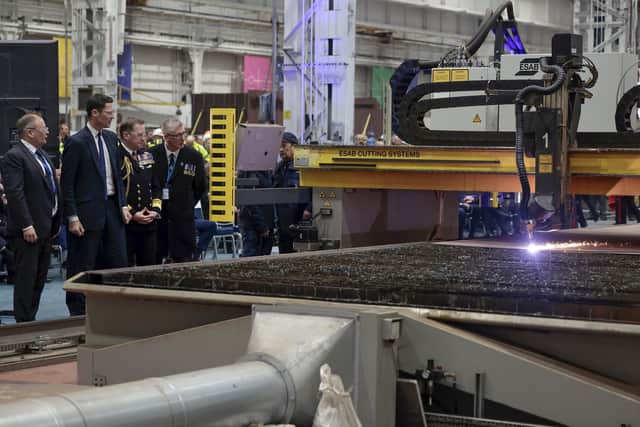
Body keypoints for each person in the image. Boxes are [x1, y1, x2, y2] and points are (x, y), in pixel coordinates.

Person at [61, 94, 131, 316]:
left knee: (117, 259)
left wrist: (123, 205)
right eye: (109, 113)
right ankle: (78, 312)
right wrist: (72, 216)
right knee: (83, 263)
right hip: (86, 212)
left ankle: (111, 308)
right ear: (95, 113)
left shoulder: (111, 139)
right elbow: (67, 184)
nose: (112, 117)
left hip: (112, 209)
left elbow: (118, 178)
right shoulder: (77, 142)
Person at [1, 113, 62, 322]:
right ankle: (23, 325)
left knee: (39, 279)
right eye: (43, 127)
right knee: (26, 281)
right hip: (29, 231)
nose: (47, 131)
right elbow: (15, 194)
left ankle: (30, 320)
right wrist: (27, 225)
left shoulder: (42, 155)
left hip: (46, 227)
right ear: (29, 132)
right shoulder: (14, 156)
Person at [150, 117, 206, 263]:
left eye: (184, 133)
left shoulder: (194, 156)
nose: (183, 138)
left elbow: (200, 187)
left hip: (183, 221)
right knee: (154, 262)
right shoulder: (151, 155)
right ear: (166, 137)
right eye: (178, 135)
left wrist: (186, 203)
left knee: (183, 263)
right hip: (157, 220)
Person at [118, 118, 161, 266]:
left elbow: (156, 186)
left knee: (149, 266)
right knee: (126, 267)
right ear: (126, 135)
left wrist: (155, 209)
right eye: (139, 135)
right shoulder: (117, 156)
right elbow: (118, 190)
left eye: (144, 134)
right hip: (128, 221)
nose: (144, 138)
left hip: (149, 221)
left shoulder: (146, 155)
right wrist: (134, 213)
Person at [273, 132, 311, 254]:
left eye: (284, 146)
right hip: (282, 220)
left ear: (294, 146)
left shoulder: (304, 166)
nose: (281, 150)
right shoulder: (279, 167)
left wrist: (309, 209)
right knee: (284, 252)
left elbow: (314, 190)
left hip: (299, 219)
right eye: (279, 147)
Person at [238, 170, 274, 257]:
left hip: (262, 221)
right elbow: (251, 203)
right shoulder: (251, 173)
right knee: (252, 256)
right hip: (255, 224)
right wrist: (262, 226)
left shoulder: (267, 171)